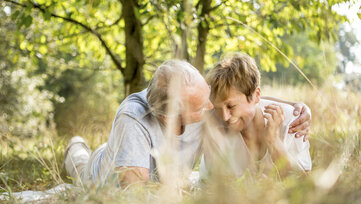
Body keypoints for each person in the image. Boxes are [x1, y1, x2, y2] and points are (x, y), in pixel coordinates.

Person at [64, 59, 311, 186]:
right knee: (80, 167)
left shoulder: (201, 102)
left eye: (208, 98)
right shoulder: (133, 120)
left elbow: (245, 100)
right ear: (169, 117)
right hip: (102, 169)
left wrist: (299, 106)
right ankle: (75, 146)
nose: (212, 109)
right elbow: (135, 194)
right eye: (203, 106)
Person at [202, 53, 312, 179]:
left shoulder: (292, 122)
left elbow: (303, 183)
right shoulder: (213, 127)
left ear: (256, 95)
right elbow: (218, 189)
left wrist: (273, 140)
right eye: (217, 108)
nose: (224, 117)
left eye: (231, 106)